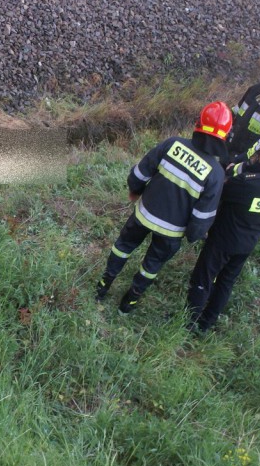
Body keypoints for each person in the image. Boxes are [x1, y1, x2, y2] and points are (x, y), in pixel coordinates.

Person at [95, 102, 232, 314]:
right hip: (171, 232)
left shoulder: (173, 144)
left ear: (198, 123)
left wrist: (135, 189)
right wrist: (193, 235)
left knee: (123, 246)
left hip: (144, 214)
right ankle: (128, 303)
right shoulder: (215, 173)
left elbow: (141, 173)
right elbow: (202, 217)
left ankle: (102, 288)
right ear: (225, 136)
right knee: (152, 265)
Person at [187, 138, 260, 335]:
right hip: (248, 242)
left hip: (224, 238)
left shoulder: (249, 183)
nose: (259, 153)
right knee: (226, 282)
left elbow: (219, 191)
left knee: (204, 276)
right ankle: (206, 323)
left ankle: (190, 319)